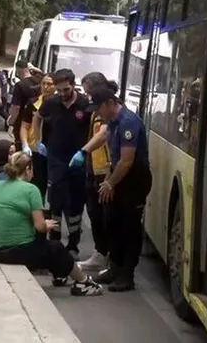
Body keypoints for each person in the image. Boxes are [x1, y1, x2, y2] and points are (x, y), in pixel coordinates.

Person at [0, 152, 103, 296]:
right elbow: (40, 226)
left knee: (44, 247)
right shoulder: (31, 190)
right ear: (28, 169)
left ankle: (60, 274)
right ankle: (84, 282)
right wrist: (45, 224)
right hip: (17, 252)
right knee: (55, 247)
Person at [87, 85, 152, 292]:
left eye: (99, 108)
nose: (97, 113)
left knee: (129, 228)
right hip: (118, 176)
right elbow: (114, 159)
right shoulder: (112, 123)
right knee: (111, 222)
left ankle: (127, 274)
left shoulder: (127, 122)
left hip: (134, 179)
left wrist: (110, 183)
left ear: (109, 104)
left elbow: (126, 161)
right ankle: (113, 266)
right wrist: (108, 181)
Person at [33, 69, 90, 260]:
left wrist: (86, 151)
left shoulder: (85, 104)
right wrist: (39, 140)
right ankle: (55, 242)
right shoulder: (51, 103)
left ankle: (73, 244)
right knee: (55, 201)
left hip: (77, 158)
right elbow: (37, 117)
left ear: (73, 85)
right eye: (60, 90)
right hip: (56, 157)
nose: (63, 94)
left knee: (75, 203)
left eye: (66, 89)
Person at [71, 72, 116, 270]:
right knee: (95, 213)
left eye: (89, 92)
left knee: (103, 216)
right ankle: (101, 253)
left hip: (103, 169)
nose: (88, 97)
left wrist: (84, 151)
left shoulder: (107, 110)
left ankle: (104, 255)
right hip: (93, 167)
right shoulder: (97, 109)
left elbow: (103, 134)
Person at [20, 73, 55, 202]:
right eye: (43, 83)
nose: (46, 87)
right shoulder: (33, 103)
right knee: (36, 182)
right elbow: (25, 126)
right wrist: (25, 144)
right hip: (35, 149)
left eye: (50, 84)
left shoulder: (59, 104)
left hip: (53, 150)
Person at [9, 60, 40, 149]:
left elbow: (16, 108)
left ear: (18, 70)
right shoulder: (39, 81)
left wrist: (11, 123)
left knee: (21, 145)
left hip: (22, 121)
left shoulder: (19, 85)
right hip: (37, 120)